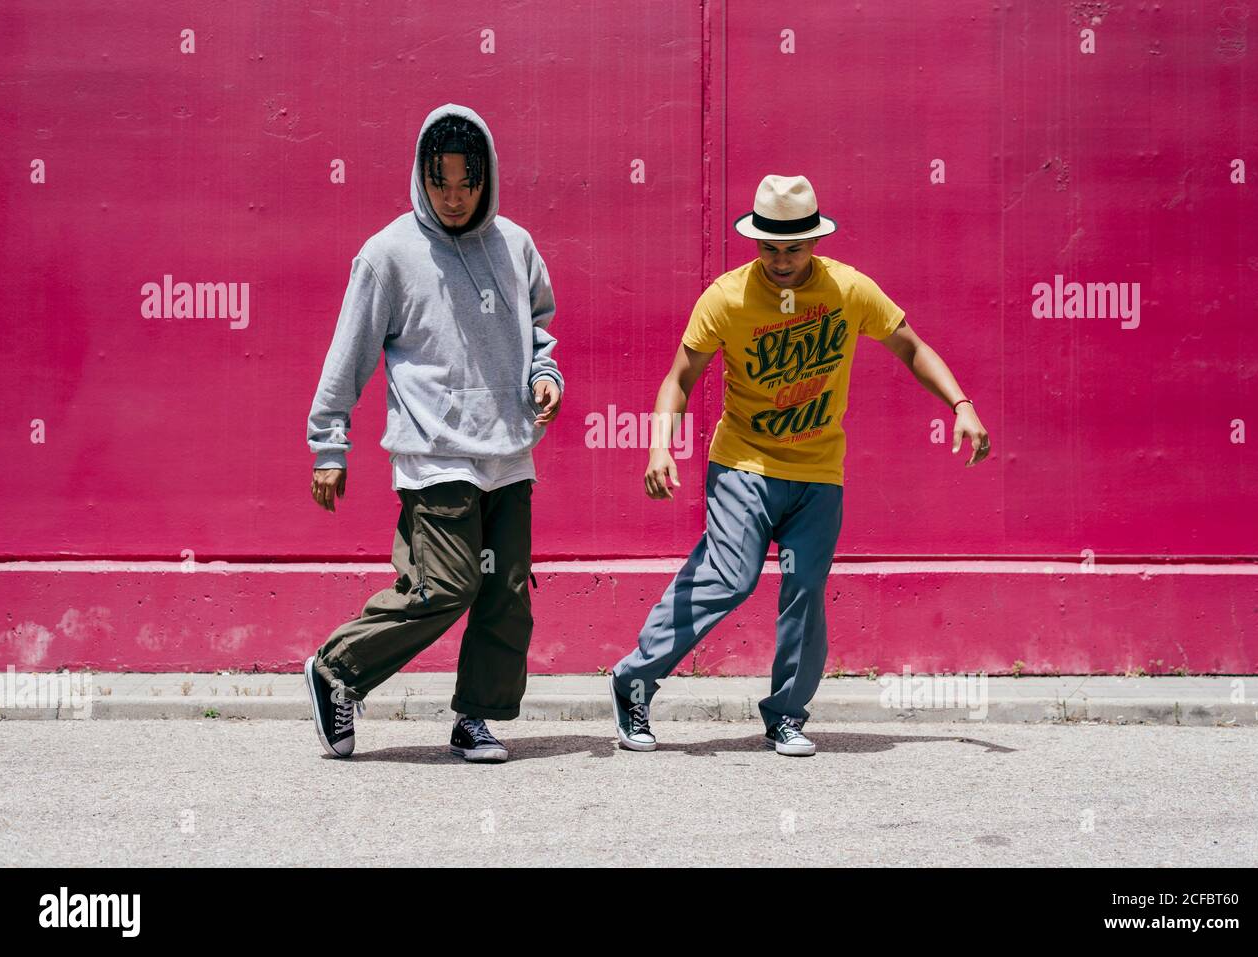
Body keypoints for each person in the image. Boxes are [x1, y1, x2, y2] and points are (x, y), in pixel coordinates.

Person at [609, 174, 989, 756]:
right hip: (744, 464)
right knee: (730, 578)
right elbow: (680, 377)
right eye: (769, 248)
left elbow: (910, 345)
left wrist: (961, 404)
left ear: (815, 240)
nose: (781, 261)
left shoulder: (849, 289)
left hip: (818, 472)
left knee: (805, 590)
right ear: (754, 242)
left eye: (793, 247)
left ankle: (786, 714)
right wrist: (661, 444)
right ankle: (635, 678)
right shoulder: (726, 297)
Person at [303, 103, 564, 763]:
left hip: (509, 455)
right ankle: (338, 666)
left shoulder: (516, 245)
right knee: (445, 584)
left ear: (487, 180)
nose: (453, 196)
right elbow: (348, 355)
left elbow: (539, 331)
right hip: (434, 454)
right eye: (440, 180)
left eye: (466, 183)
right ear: (421, 174)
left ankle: (476, 716)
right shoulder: (388, 254)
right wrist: (329, 444)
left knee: (506, 595)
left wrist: (546, 374)